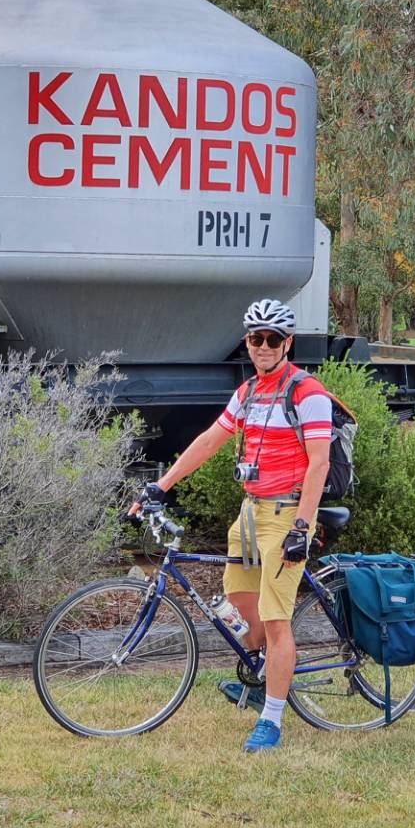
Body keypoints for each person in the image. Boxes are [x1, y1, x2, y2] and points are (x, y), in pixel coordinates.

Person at [124, 298, 332, 752]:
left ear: (288, 343)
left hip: (287, 513)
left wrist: (302, 526)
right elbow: (209, 441)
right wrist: (161, 485)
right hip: (250, 513)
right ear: (247, 342)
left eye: (272, 339)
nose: (263, 346)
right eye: (256, 338)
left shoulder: (307, 393)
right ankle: (260, 679)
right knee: (238, 609)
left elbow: (319, 463)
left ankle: (271, 719)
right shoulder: (248, 393)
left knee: (275, 621)